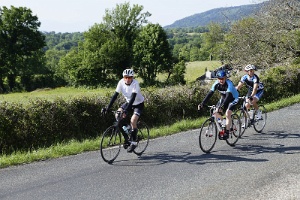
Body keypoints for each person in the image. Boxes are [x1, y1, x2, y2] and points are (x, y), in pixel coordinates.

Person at [102, 69, 145, 153]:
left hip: (138, 104)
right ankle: (127, 136)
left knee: (133, 121)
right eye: (126, 77)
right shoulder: (121, 82)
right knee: (117, 116)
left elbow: (133, 98)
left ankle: (134, 142)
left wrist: (126, 111)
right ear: (123, 77)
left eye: (130, 77)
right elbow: (115, 96)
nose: (128, 79)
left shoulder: (135, 83)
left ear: (132, 77)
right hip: (128, 103)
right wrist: (107, 108)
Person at [198, 69, 239, 139]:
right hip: (223, 98)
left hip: (233, 98)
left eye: (222, 78)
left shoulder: (229, 83)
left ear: (225, 78)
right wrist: (202, 103)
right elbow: (210, 93)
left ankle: (227, 131)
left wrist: (222, 107)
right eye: (219, 78)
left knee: (227, 113)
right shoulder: (216, 84)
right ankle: (225, 122)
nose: (221, 80)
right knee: (215, 112)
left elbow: (228, 95)